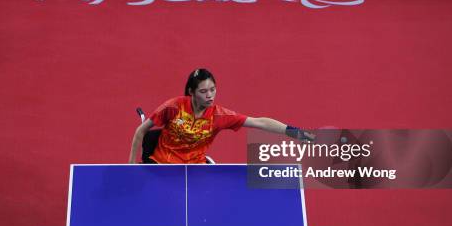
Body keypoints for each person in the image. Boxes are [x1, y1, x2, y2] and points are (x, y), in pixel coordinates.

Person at [129, 68, 314, 164]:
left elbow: (259, 122)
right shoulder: (173, 107)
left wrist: (293, 132)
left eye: (212, 89)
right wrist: (129, 167)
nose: (210, 95)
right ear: (192, 92)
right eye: (203, 91)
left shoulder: (219, 116)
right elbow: (141, 131)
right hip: (162, 165)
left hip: (195, 169)